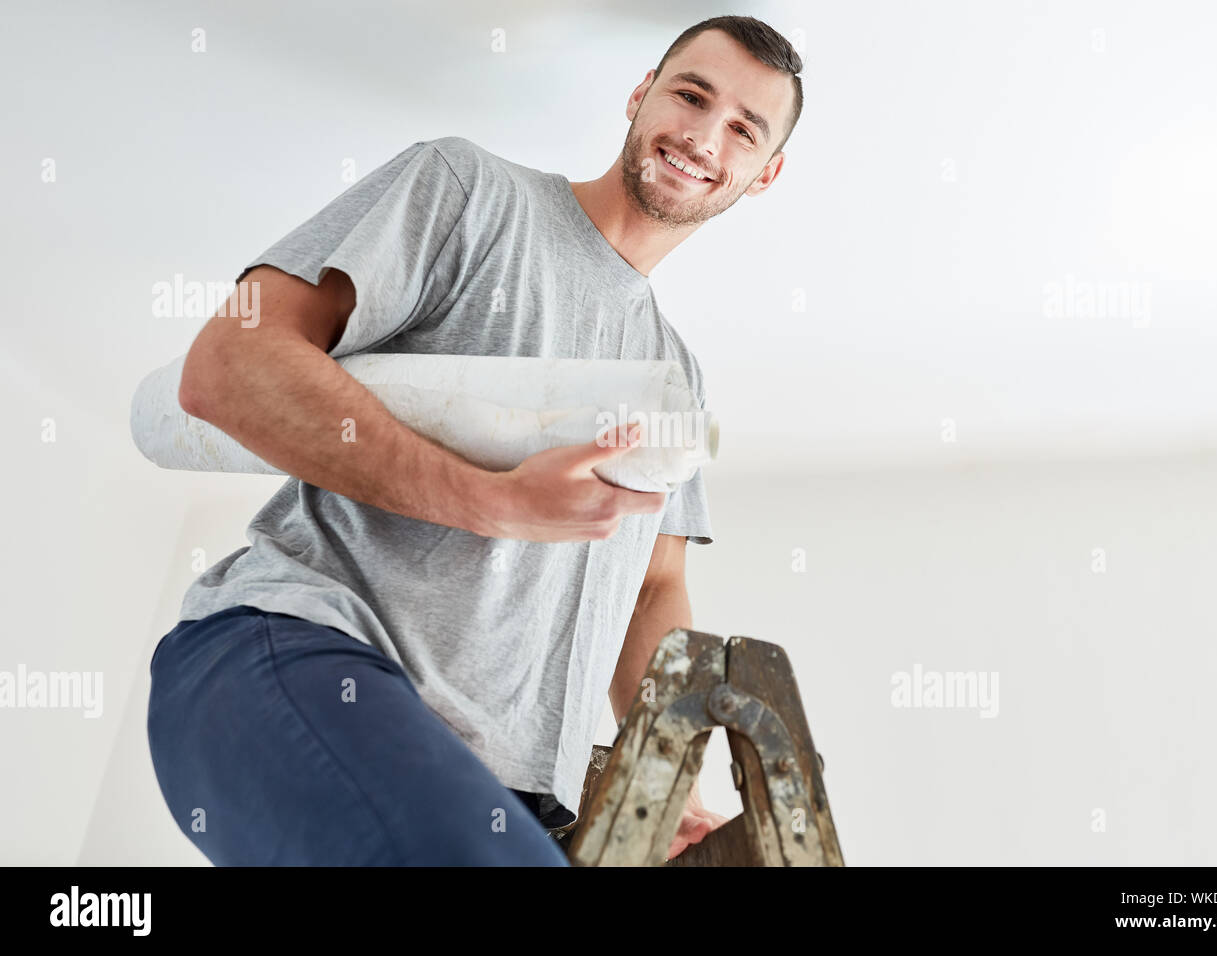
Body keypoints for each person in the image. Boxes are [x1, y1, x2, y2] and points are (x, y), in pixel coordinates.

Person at [147, 14, 803, 866]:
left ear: (765, 173)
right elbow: (228, 363)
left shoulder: (674, 373)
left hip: (512, 795)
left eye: (743, 129)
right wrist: (492, 500)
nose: (704, 135)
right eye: (690, 94)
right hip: (304, 652)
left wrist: (666, 776)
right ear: (642, 94)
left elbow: (655, 587)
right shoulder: (471, 194)